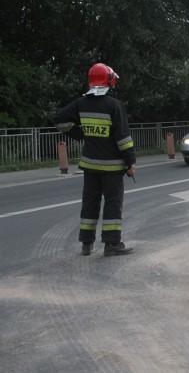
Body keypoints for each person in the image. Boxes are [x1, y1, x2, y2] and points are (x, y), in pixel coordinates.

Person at [53, 63, 136, 256]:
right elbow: (123, 138)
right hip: (112, 168)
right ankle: (112, 244)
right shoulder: (114, 105)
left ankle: (86, 244)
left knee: (90, 203)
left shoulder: (81, 103)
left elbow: (60, 120)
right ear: (109, 81)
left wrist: (81, 134)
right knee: (112, 204)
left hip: (90, 166)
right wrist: (130, 162)